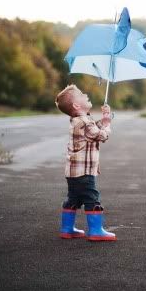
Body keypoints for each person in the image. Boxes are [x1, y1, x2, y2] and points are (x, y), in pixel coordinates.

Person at [55, 84, 116, 241]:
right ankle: (96, 231)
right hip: (84, 173)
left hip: (73, 173)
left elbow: (93, 129)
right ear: (76, 105)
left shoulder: (78, 120)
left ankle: (67, 229)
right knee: (92, 197)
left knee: (73, 198)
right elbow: (101, 136)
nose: (86, 94)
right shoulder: (84, 122)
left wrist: (104, 119)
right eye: (82, 94)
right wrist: (107, 125)